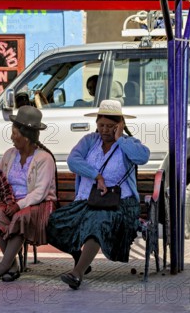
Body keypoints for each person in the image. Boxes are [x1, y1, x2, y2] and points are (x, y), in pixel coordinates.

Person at [46, 99, 150, 290]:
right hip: (88, 201)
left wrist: (120, 138)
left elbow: (142, 157)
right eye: (101, 125)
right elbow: (73, 161)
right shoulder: (89, 141)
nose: (104, 130)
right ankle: (81, 261)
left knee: (98, 222)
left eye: (110, 126)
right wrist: (96, 176)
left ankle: (76, 274)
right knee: (55, 222)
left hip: (120, 204)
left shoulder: (128, 143)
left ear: (120, 125)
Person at [0, 106, 58, 282]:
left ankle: (3, 266)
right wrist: (7, 200)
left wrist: (18, 205)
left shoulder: (44, 159)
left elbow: (40, 192)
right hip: (12, 201)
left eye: (15, 133)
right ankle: (12, 266)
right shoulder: (10, 155)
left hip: (38, 204)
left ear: (26, 137)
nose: (11, 137)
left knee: (20, 217)